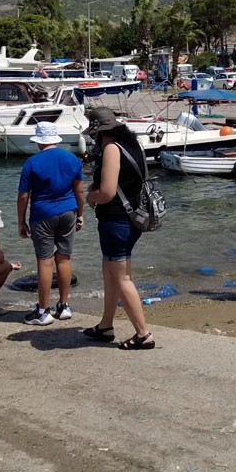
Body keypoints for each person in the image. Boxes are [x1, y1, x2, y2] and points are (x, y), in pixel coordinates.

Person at [82, 107, 155, 350]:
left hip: (116, 220)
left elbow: (107, 192)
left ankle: (143, 334)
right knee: (111, 273)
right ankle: (106, 325)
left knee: (122, 278)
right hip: (132, 217)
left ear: (100, 133)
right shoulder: (132, 145)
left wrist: (90, 197)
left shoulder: (112, 149)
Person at [17, 122, 85, 326]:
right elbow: (79, 191)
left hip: (43, 213)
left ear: (39, 141)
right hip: (69, 211)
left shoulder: (32, 163)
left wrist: (21, 222)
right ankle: (64, 306)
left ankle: (43, 311)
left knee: (45, 261)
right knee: (64, 258)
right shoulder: (72, 159)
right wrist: (80, 215)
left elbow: (23, 196)